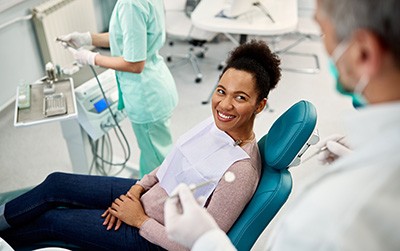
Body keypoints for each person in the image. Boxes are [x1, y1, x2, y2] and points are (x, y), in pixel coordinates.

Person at [0, 40, 281, 250]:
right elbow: (171, 164)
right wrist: (136, 189)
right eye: (221, 91)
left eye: (240, 97)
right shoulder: (216, 125)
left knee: (54, 221)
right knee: (57, 183)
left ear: (260, 105)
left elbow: (198, 244)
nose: (225, 104)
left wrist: (137, 219)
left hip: (151, 236)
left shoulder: (241, 172)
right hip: (146, 195)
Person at [163, 0, 400, 250]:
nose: (225, 104)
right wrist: (363, 156)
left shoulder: (334, 218)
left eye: (323, 32)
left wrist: (205, 242)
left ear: (362, 53)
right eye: (221, 91)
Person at [59, 0, 179, 177]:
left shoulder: (131, 4)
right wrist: (87, 38)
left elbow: (135, 64)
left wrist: (92, 58)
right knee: (156, 152)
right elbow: (127, 36)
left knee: (157, 166)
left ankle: (157, 201)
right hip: (157, 83)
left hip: (146, 94)